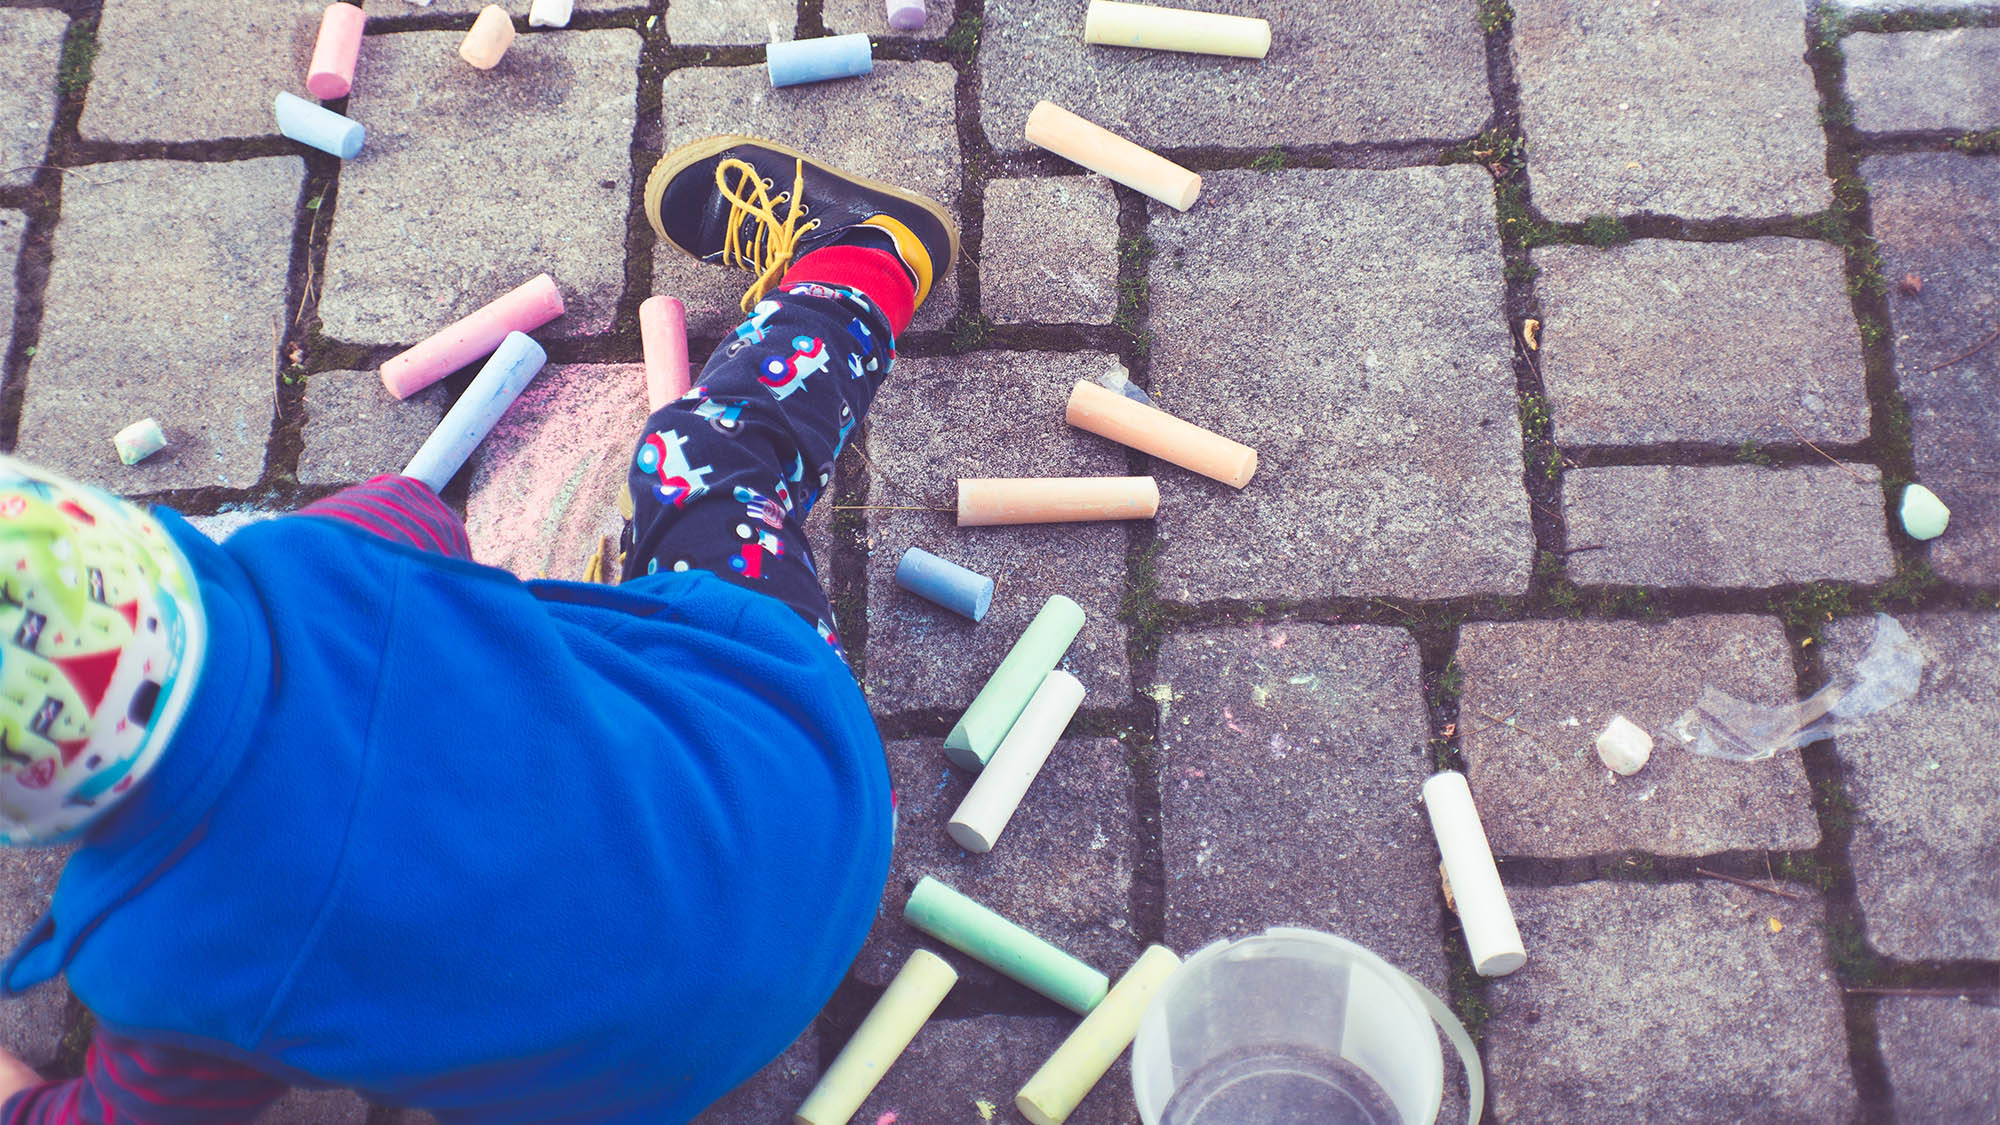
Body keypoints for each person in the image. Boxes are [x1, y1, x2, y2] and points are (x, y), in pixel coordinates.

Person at [0, 136, 957, 1124]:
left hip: (637, 1086)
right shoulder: (320, 565)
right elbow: (420, 518)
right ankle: (866, 256)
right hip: (812, 805)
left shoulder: (155, 962)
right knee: (703, 464)